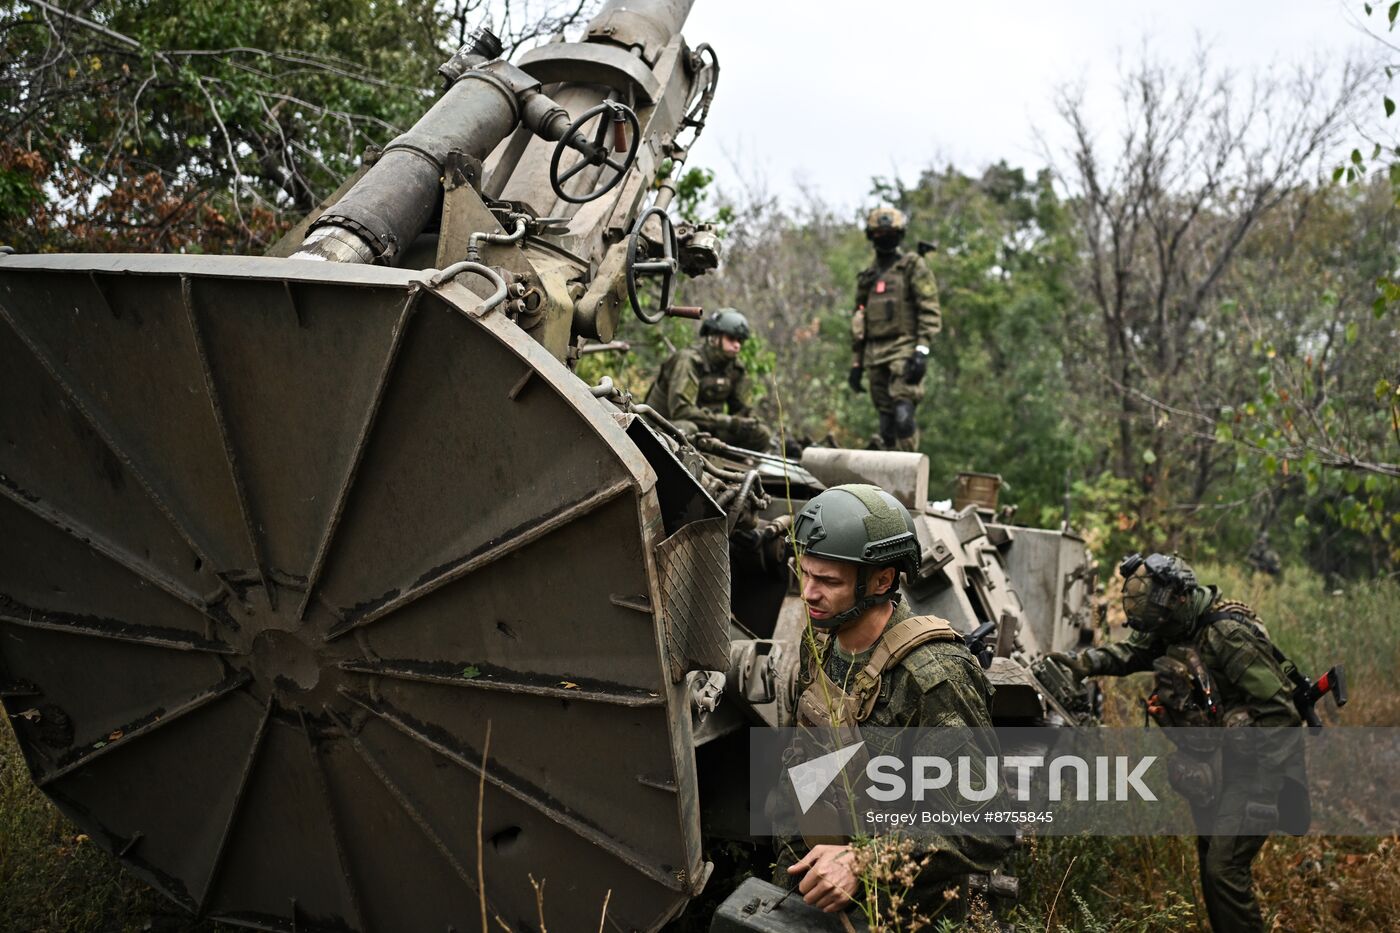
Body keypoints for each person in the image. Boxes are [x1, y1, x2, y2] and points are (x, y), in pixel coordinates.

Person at [771, 483, 1010, 919]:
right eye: (803, 574)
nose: (808, 594)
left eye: (827, 581)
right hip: (824, 893)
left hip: (918, 908)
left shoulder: (933, 676)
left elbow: (988, 825)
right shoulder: (820, 642)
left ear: (881, 580)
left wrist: (864, 863)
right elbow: (805, 760)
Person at [1050, 552, 1309, 933]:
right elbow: (1132, 652)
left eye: (1162, 623)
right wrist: (1081, 663)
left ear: (1181, 599)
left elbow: (1280, 714)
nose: (1159, 632)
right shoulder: (1175, 624)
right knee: (1212, 863)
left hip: (1259, 765)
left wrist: (1265, 793)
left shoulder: (1227, 635)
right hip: (1223, 759)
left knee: (1224, 870)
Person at [848, 207, 942, 451]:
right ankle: (888, 482)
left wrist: (922, 350)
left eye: (889, 232)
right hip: (874, 353)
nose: (884, 237)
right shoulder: (868, 277)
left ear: (899, 234)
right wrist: (856, 364)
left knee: (903, 414)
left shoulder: (912, 266)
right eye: (879, 232)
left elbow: (929, 309)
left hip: (904, 347)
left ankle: (909, 478)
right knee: (886, 424)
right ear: (871, 236)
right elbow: (858, 321)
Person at [644, 307, 772, 450]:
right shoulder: (688, 361)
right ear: (714, 338)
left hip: (706, 429)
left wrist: (750, 422)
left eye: (740, 340)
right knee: (689, 428)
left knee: (761, 434)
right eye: (731, 338)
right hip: (662, 427)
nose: (737, 345)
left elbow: (744, 409)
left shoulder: (735, 369)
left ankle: (728, 463)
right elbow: (682, 411)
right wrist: (727, 422)